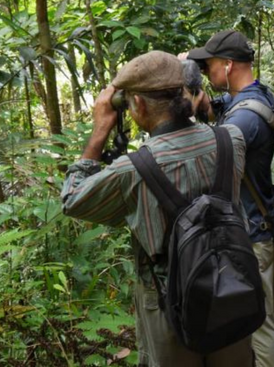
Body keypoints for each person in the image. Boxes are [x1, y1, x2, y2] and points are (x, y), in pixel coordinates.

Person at [61, 51, 254, 367]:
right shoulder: (231, 139)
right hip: (233, 287)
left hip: (167, 304)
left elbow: (72, 199)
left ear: (136, 105)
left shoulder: (133, 172)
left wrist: (100, 132)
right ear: (184, 93)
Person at [184, 30, 274, 367]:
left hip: (252, 236)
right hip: (254, 230)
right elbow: (222, 109)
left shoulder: (245, 118)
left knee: (260, 324)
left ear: (228, 65)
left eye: (209, 66)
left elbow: (213, 158)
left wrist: (188, 114)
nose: (207, 74)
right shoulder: (257, 97)